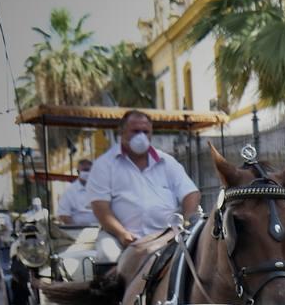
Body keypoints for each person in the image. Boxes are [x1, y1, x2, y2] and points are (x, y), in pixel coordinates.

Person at [85, 110, 200, 263]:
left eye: (145, 132)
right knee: (108, 254)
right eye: (135, 131)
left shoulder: (167, 162)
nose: (141, 136)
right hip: (122, 238)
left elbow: (191, 193)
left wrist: (186, 224)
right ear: (122, 132)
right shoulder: (104, 165)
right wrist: (121, 233)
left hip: (166, 236)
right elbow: (100, 207)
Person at [56, 159, 98, 226]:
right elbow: (63, 215)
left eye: (89, 170)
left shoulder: (100, 189)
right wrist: (76, 228)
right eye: (85, 170)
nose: (87, 173)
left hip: (100, 230)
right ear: (78, 172)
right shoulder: (69, 191)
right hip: (77, 231)